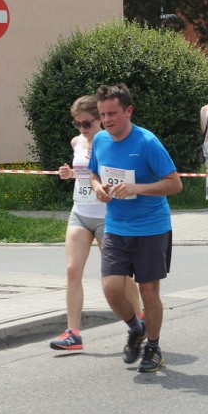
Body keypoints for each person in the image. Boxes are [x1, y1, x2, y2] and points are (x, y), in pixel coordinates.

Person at [89, 83, 183, 373]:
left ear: (128, 111)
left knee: (149, 292)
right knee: (111, 288)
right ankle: (135, 328)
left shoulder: (147, 142)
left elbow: (175, 183)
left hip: (151, 227)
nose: (107, 120)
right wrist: (99, 189)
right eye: (102, 114)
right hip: (116, 226)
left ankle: (153, 348)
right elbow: (93, 173)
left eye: (112, 114)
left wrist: (136, 188)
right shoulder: (100, 140)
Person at [49, 96, 142, 351]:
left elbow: (119, 175)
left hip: (105, 215)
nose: (82, 129)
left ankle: (140, 318)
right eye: (77, 124)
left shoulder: (110, 143)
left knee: (119, 276)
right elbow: (82, 175)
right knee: (71, 270)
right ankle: (73, 333)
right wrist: (69, 174)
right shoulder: (77, 142)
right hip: (80, 211)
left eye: (86, 123)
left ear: (99, 119)